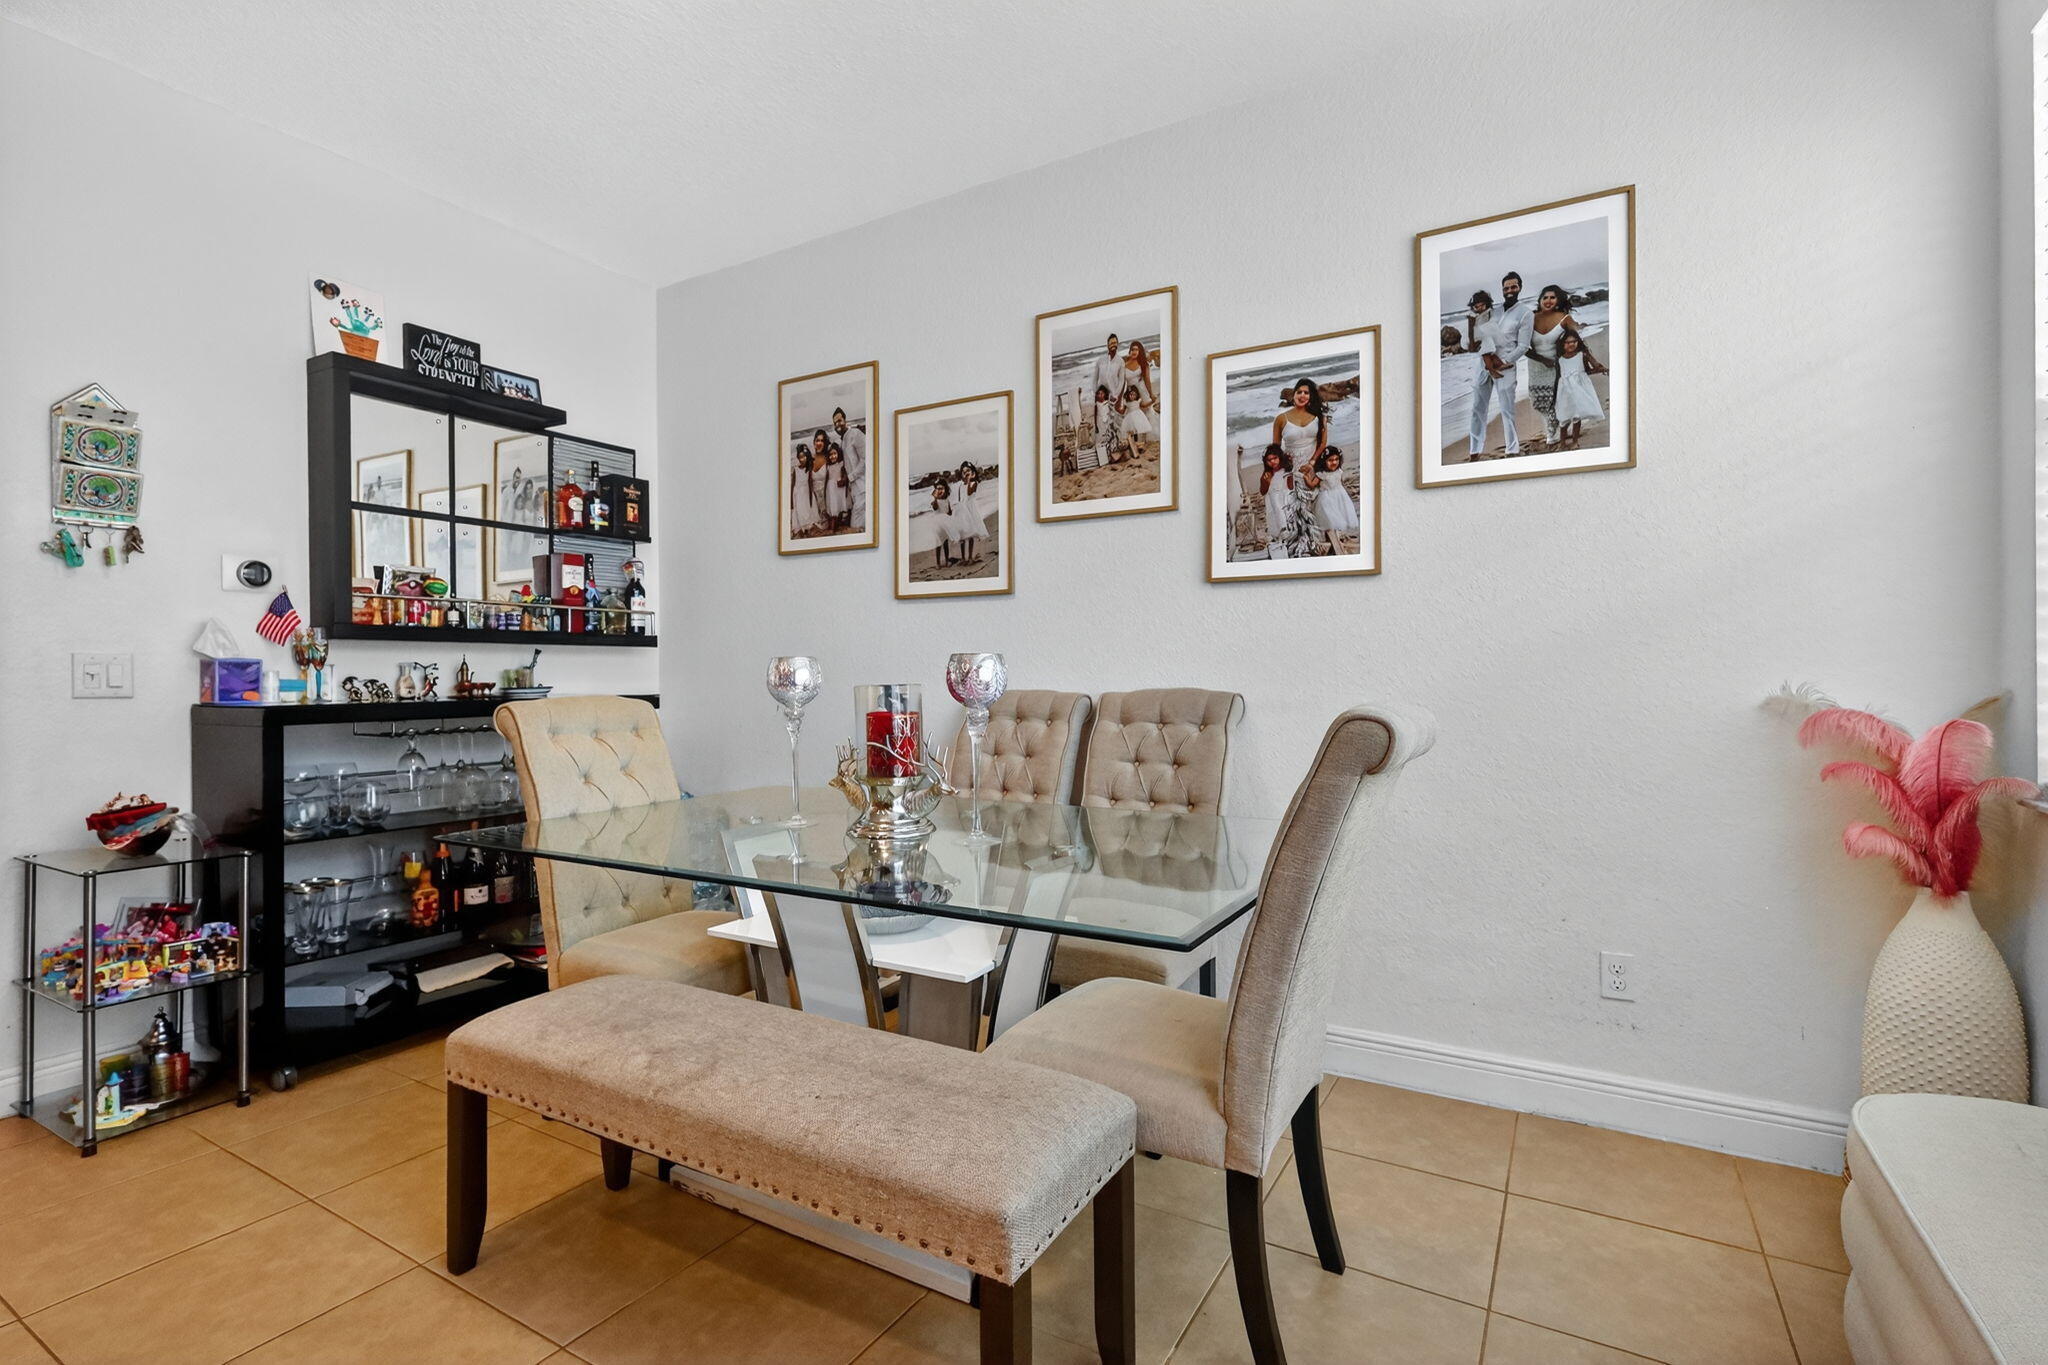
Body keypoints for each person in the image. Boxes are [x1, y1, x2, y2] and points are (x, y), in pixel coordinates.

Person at [1467, 271, 1533, 459]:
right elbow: (1478, 335)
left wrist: (1505, 361)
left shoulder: (1525, 313)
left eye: (1513, 287)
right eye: (1506, 288)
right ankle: (1474, 451)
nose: (1509, 290)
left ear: (1520, 287)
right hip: (1483, 364)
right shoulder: (1492, 311)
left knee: (1507, 409)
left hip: (1506, 366)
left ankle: (1512, 449)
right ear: (1502, 290)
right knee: (1477, 408)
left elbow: (1523, 346)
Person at [1525, 284, 1582, 449]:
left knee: (1556, 398)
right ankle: (1555, 427)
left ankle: (1552, 433)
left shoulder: (1564, 318)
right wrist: (1542, 359)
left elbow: (1577, 341)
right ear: (1540, 300)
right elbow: (1522, 346)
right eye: (1545, 297)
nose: (1548, 301)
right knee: (1538, 401)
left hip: (1557, 366)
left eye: (1552, 297)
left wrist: (1589, 362)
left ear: (1558, 300)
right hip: (1536, 365)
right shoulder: (1530, 318)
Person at [1553, 329, 1608, 449]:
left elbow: (1590, 368)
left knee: (1576, 416)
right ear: (1562, 344)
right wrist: (1555, 394)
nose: (1571, 344)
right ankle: (1562, 444)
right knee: (1564, 417)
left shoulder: (1582, 355)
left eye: (1574, 341)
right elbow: (1558, 377)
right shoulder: (1560, 359)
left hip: (1580, 390)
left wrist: (1602, 369)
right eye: (1568, 342)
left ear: (1578, 341)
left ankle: (1575, 442)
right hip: (1564, 392)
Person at [1258, 445, 1314, 560]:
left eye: (1275, 458)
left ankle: (1291, 542)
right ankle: (1281, 543)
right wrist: (1267, 482)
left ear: (1280, 457)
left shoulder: (1286, 471)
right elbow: (1263, 491)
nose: (1272, 462)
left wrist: (1290, 469)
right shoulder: (1267, 475)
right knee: (1276, 524)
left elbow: (1290, 488)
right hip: (1273, 504)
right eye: (1269, 460)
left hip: (1285, 501)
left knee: (1289, 524)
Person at [1301, 446, 1359, 553]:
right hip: (1326, 499)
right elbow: (1312, 485)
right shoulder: (1322, 474)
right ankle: (1333, 543)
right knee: (1330, 520)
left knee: (1340, 519)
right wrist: (1306, 478)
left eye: (1336, 459)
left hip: (1340, 498)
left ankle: (1336, 543)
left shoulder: (1339, 471)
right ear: (1324, 461)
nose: (1334, 462)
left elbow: (1340, 483)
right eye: (1330, 460)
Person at [1271, 376, 1326, 477]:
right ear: (1294, 394)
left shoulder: (1319, 417)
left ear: (1311, 396)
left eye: (1306, 393)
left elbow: (1322, 444)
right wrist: (1285, 460)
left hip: (1314, 464)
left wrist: (1312, 463)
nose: (1302, 395)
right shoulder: (1281, 419)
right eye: (1299, 392)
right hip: (1291, 467)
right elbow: (1275, 448)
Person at [830, 407, 867, 532]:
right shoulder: (843, 441)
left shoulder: (855, 434)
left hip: (863, 487)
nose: (837, 425)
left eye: (839, 421)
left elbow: (866, 460)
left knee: (856, 526)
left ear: (845, 420)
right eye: (835, 423)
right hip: (854, 491)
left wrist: (849, 478)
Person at [951, 467, 987, 563]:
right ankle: (963, 558)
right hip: (962, 510)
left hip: (970, 509)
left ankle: (970, 557)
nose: (966, 473)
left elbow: (969, 492)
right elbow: (960, 499)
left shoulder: (974, 483)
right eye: (964, 472)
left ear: (972, 473)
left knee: (971, 533)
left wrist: (969, 480)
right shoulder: (960, 485)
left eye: (968, 471)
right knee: (962, 533)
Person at [1091, 334, 1125, 415]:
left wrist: (1116, 395)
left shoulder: (1120, 361)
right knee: (1102, 419)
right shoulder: (1100, 360)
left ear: (1117, 344)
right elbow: (1095, 379)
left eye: (1115, 343)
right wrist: (1096, 393)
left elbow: (1121, 381)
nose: (1113, 345)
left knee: (1115, 419)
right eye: (1111, 343)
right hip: (1102, 398)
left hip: (1113, 398)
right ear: (1107, 345)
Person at [789, 449, 821, 535]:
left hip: (806, 493)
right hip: (797, 493)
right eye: (800, 457)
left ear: (807, 457)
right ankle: (801, 529)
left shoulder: (809, 470)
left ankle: (807, 528)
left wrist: (812, 497)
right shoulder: (796, 469)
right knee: (799, 510)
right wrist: (791, 499)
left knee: (807, 510)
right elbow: (792, 484)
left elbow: (810, 484)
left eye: (804, 457)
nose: (802, 459)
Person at [928, 476, 958, 567]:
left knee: (945, 542)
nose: (940, 491)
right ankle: (937, 563)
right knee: (938, 543)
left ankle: (947, 560)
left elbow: (949, 512)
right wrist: (935, 498)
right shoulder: (935, 501)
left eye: (942, 489)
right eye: (938, 489)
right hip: (937, 523)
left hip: (945, 523)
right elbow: (935, 508)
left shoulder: (947, 500)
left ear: (945, 489)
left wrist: (952, 514)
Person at [822, 442, 851, 531]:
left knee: (841, 505)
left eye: (835, 453)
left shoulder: (841, 464)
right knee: (833, 508)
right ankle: (833, 526)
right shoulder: (828, 466)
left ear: (838, 453)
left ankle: (840, 522)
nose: (833, 456)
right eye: (830, 454)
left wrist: (844, 480)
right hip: (831, 489)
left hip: (840, 488)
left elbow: (845, 475)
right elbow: (826, 479)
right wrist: (825, 492)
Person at [1119, 382, 1153, 458]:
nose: (1132, 396)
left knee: (1138, 431)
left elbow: (1144, 405)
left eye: (1134, 395)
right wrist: (1118, 408)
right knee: (1131, 433)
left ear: (1137, 395)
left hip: (1138, 417)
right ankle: (1133, 446)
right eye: (1131, 394)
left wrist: (1151, 401)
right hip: (1130, 419)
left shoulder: (1138, 401)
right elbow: (1122, 410)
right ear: (1128, 395)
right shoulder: (1126, 402)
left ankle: (1139, 446)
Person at [1092, 383, 1121, 466]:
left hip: (1107, 421)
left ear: (1105, 394)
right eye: (1099, 394)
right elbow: (1095, 415)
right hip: (1100, 422)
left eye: (1102, 393)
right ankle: (1102, 458)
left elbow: (1113, 407)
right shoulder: (1096, 404)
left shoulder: (1108, 402)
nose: (1100, 395)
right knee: (1101, 438)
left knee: (1109, 437)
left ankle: (1110, 456)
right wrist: (1095, 425)